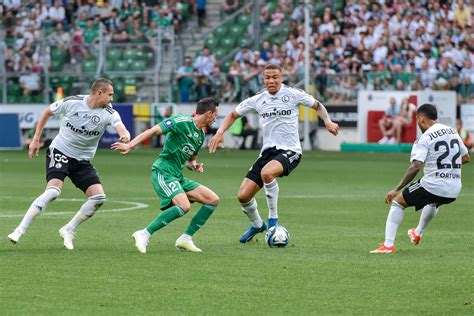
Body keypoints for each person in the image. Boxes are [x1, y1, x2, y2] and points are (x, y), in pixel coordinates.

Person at [208, 64, 339, 243]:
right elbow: (232, 115)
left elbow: (317, 105)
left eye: (275, 77)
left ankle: (273, 222)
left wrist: (328, 122)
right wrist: (220, 132)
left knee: (267, 173)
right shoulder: (258, 99)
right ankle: (257, 225)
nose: (271, 80)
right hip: (267, 152)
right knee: (243, 196)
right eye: (268, 77)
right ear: (263, 79)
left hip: (290, 150)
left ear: (281, 77)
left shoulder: (293, 94)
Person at [7, 78, 131, 250]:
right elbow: (47, 112)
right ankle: (19, 230)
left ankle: (68, 229)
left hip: (82, 160)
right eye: (109, 94)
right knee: (52, 192)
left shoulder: (109, 113)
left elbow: (122, 128)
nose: (111, 98)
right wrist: (36, 139)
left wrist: (125, 137)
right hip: (60, 151)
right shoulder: (73, 103)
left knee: (98, 198)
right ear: (99, 92)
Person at [111, 97, 220, 254]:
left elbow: (190, 161)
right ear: (209, 113)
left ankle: (185, 239)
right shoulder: (181, 121)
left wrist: (194, 166)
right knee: (184, 206)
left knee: (212, 199)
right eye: (215, 114)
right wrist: (130, 145)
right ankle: (144, 233)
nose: (216, 118)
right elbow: (153, 130)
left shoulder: (200, 136)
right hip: (163, 172)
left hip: (177, 176)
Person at [370, 103, 470, 254]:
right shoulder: (452, 131)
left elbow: (416, 166)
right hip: (454, 188)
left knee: (398, 202)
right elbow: (466, 157)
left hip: (434, 184)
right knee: (433, 201)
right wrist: (446, 167)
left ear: (421, 119)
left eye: (417, 121)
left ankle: (388, 245)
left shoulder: (425, 137)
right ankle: (417, 233)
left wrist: (396, 189)